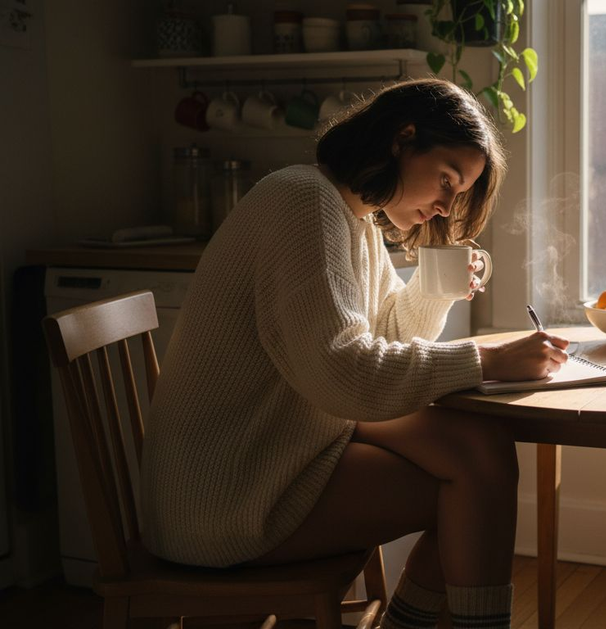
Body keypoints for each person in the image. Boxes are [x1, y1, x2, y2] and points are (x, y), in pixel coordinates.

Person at [140, 78, 570, 629]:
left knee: (479, 446)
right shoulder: (301, 202)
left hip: (285, 444)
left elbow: (383, 332)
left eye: (456, 193)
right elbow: (345, 375)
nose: (445, 204)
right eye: (446, 180)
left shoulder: (351, 216)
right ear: (403, 137)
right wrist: (487, 361)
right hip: (224, 495)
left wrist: (438, 283)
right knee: (472, 485)